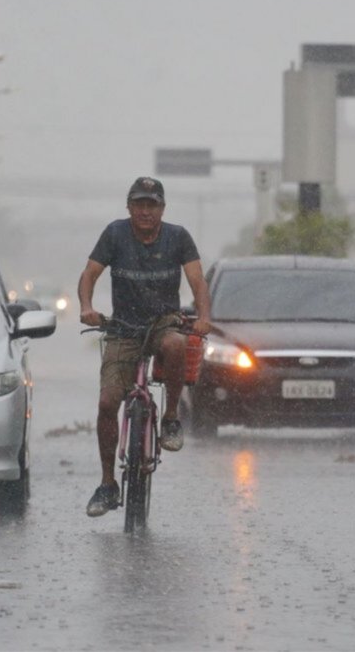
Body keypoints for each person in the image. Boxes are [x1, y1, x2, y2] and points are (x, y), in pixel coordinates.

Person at [78, 176, 212, 518]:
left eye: (152, 205)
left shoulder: (178, 237)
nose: (145, 211)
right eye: (139, 204)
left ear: (162, 209)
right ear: (129, 207)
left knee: (177, 344)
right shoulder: (114, 234)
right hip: (122, 328)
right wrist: (86, 308)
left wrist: (204, 317)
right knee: (108, 403)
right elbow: (90, 274)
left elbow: (197, 280)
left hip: (162, 323)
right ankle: (108, 484)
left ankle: (170, 418)